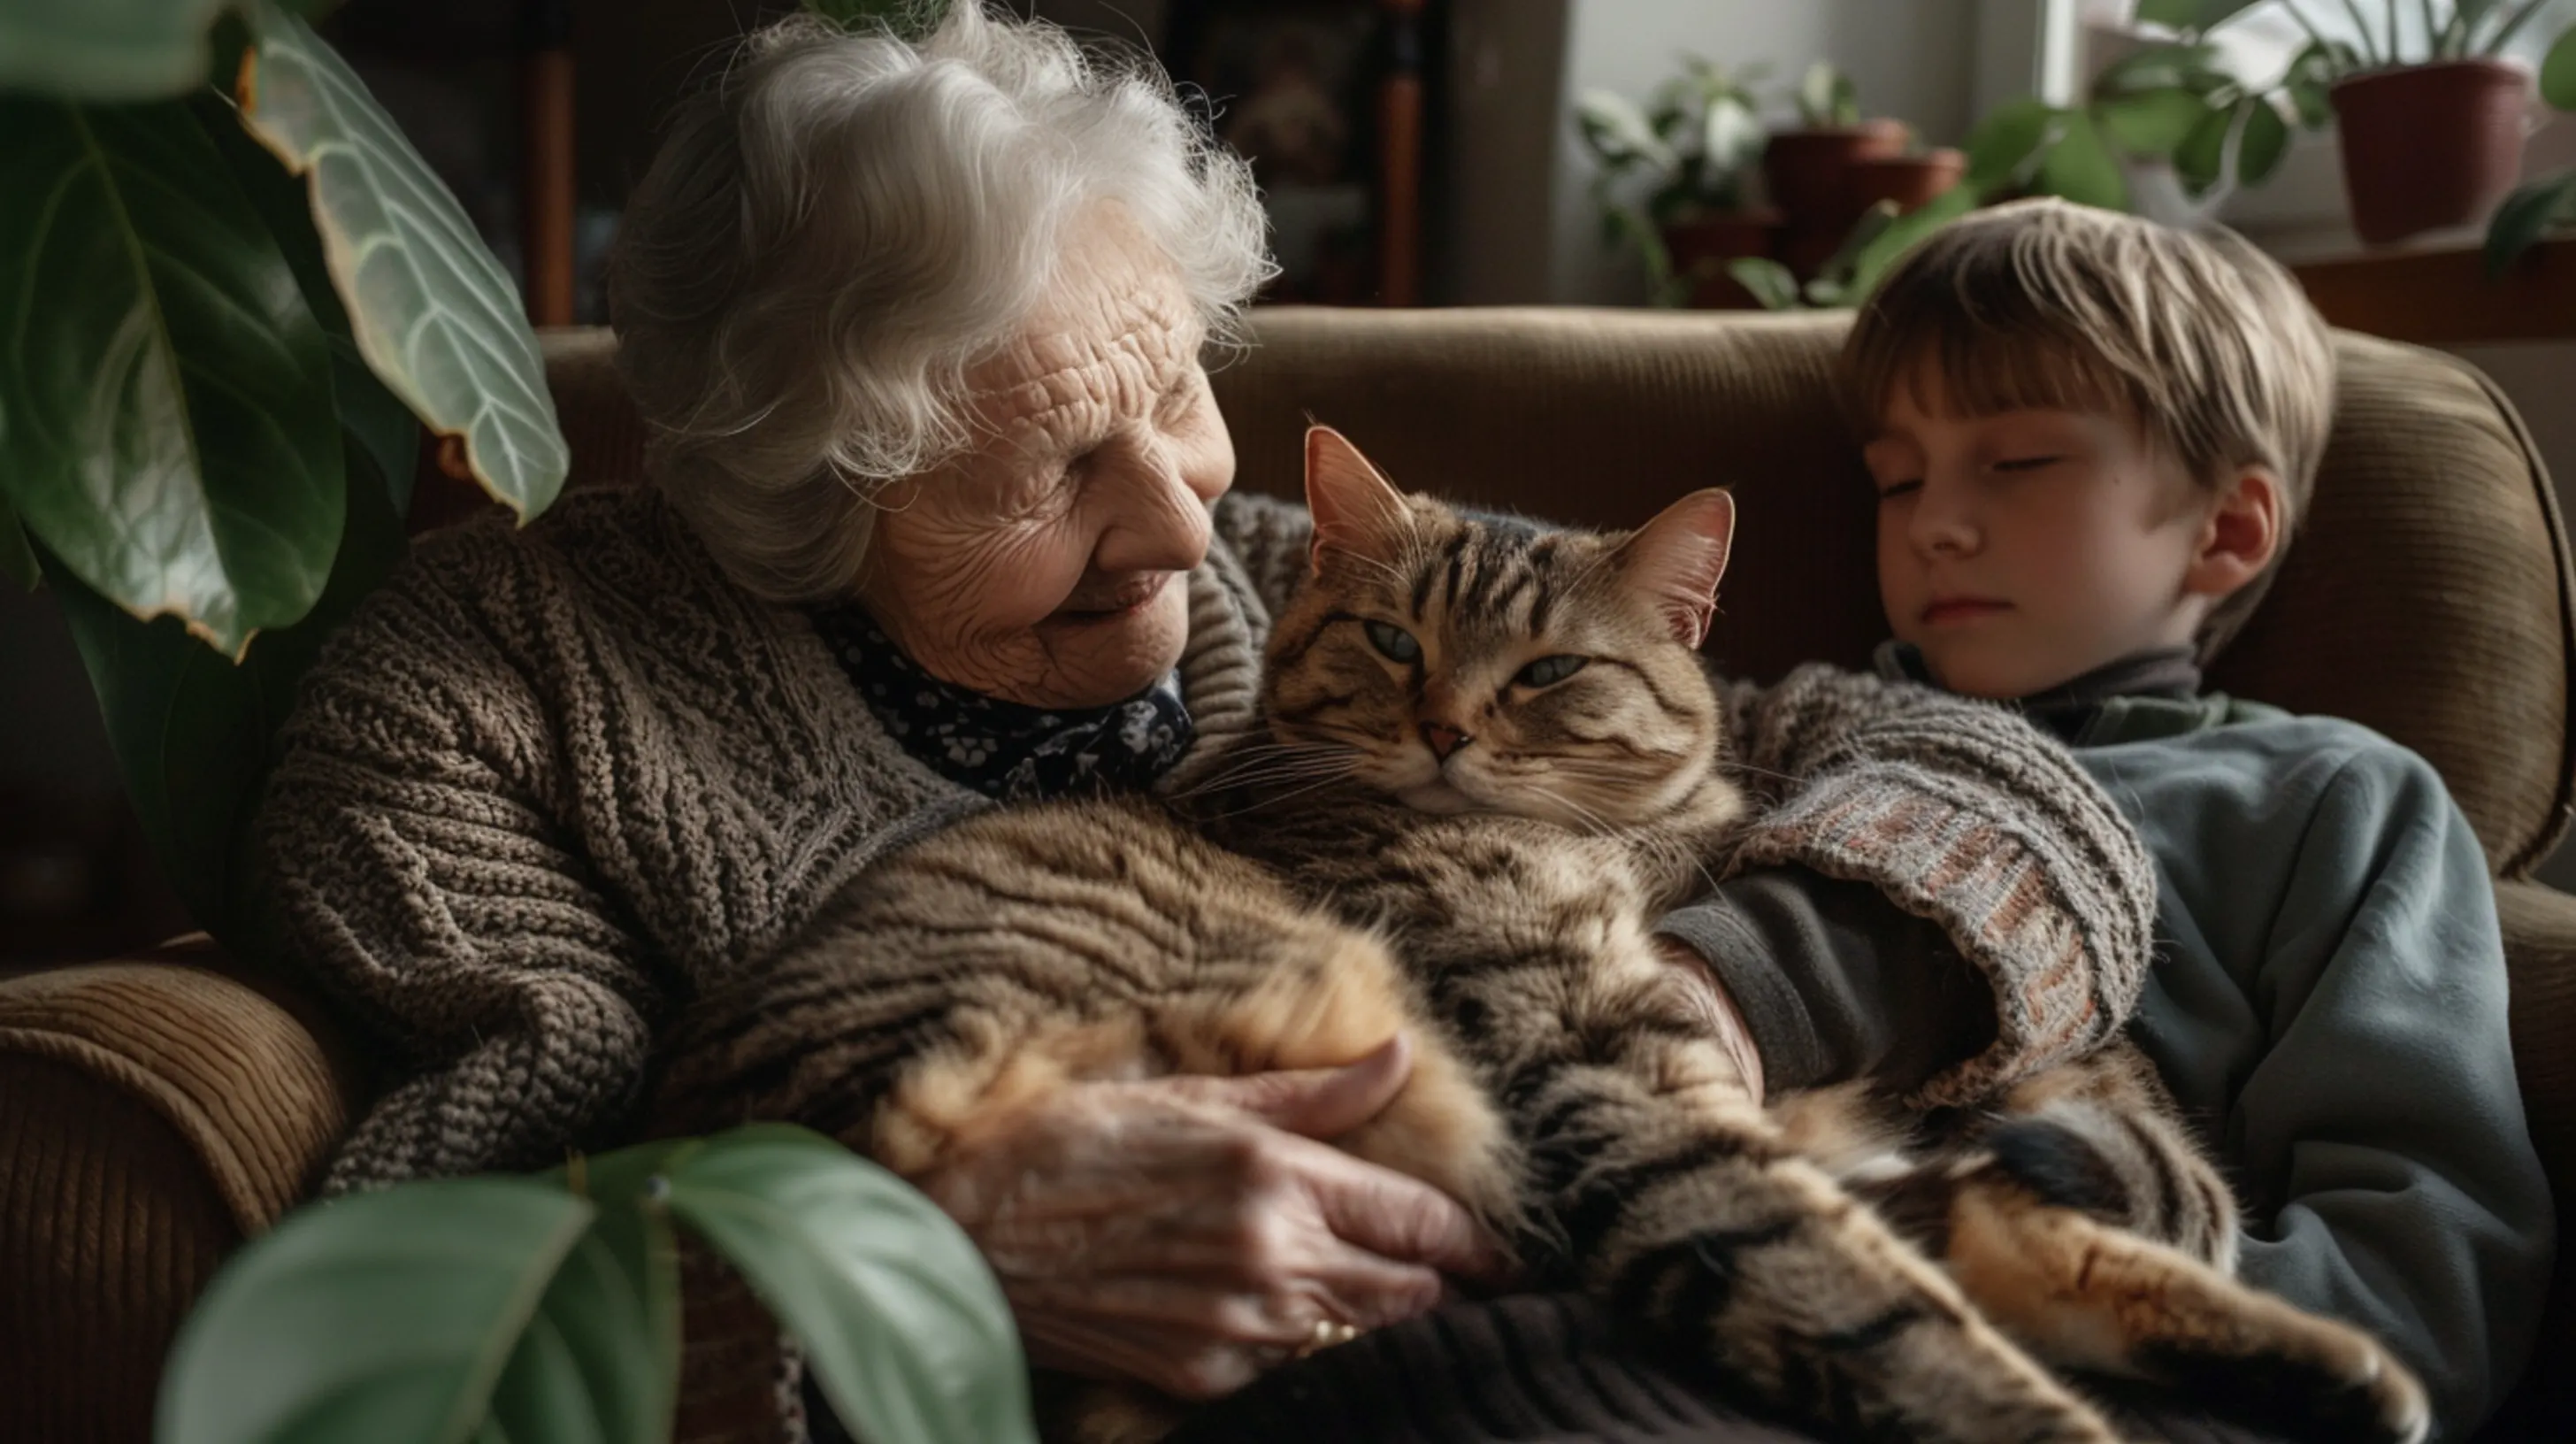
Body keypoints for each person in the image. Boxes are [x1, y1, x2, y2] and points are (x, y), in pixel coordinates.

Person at [250, 8, 2163, 1441]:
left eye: (1174, 388)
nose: (1179, 519)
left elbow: (2006, 788)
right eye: (1054, 466)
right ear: (803, 494)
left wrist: (1730, 1004)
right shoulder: (489, 703)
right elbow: (452, 1276)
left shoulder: (1324, 575)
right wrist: (907, 1247)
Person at [1836, 198, 2552, 1439]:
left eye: (2015, 464)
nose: (1932, 523)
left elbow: (2424, 1281)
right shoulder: (1809, 746)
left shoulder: (2329, 798)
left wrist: (2074, 1291)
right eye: (1897, 481)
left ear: (2224, 529)